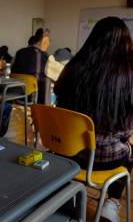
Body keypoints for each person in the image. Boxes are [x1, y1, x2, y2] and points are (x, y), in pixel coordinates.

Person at [54, 17, 133, 222]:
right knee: (128, 152)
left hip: (66, 152)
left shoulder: (73, 67)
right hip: (106, 159)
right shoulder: (129, 73)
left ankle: (68, 192)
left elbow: (59, 99)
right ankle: (112, 204)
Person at [11, 28, 50, 104]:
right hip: (33, 96)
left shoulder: (19, 52)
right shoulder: (45, 56)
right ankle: (44, 110)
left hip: (16, 94)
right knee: (47, 80)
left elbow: (12, 69)